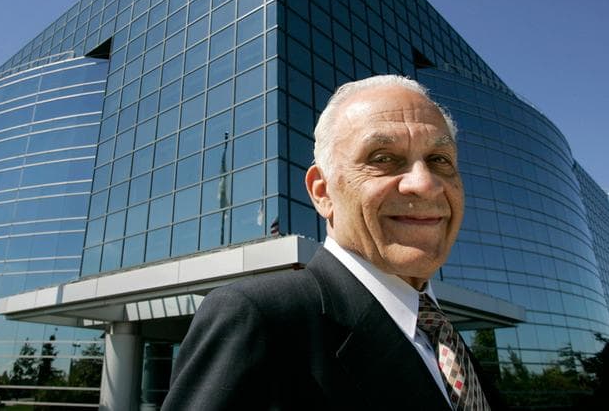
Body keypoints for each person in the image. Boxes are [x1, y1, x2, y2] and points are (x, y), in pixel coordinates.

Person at [162, 75, 501, 410]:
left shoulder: (448, 346)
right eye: (383, 158)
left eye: (440, 160)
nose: (425, 184)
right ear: (323, 193)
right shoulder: (260, 321)